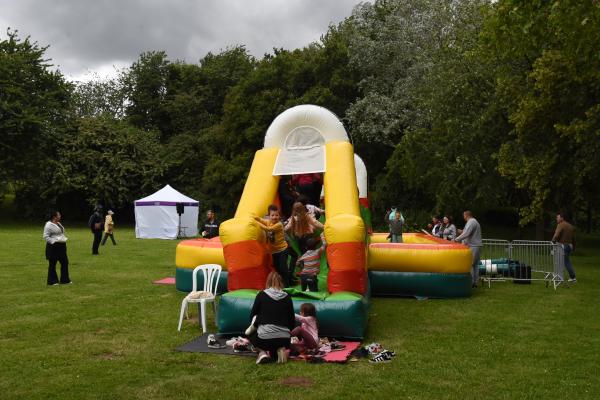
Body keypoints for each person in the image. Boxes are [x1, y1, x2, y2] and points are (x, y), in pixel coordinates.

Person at [247, 272, 295, 364]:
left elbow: (252, 315)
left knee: (249, 333)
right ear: (281, 283)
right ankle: (279, 350)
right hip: (284, 339)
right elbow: (292, 321)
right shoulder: (288, 297)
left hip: (265, 339)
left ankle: (262, 353)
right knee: (275, 342)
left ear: (268, 282)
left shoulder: (261, 295)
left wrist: (256, 324)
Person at [254, 206, 290, 286]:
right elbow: (262, 220)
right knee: (277, 269)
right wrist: (255, 218)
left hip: (282, 250)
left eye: (276, 215)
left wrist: (256, 223)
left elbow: (268, 229)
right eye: (272, 215)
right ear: (269, 216)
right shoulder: (269, 221)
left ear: (279, 216)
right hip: (274, 251)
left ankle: (287, 285)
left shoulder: (279, 224)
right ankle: (280, 284)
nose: (274, 217)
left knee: (283, 268)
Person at [285, 202, 324, 275]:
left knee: (303, 251)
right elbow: (315, 222)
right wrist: (324, 227)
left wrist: (282, 230)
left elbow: (288, 226)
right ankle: (310, 266)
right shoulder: (306, 216)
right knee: (308, 251)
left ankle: (305, 266)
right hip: (306, 235)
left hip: (300, 236)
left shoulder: (294, 217)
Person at [454, 210, 482, 288]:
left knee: (471, 264)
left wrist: (456, 239)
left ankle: (472, 282)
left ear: (466, 215)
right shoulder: (473, 222)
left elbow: (467, 234)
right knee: (475, 265)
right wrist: (461, 231)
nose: (463, 217)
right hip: (476, 245)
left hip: (473, 246)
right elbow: (466, 232)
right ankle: (475, 283)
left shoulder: (471, 222)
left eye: (464, 216)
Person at [43, 211, 71, 285]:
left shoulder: (58, 223)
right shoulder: (48, 225)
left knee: (65, 262)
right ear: (54, 217)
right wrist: (54, 241)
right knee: (52, 264)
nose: (60, 216)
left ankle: (65, 280)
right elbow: (45, 236)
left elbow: (61, 233)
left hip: (61, 246)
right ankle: (52, 281)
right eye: (59, 215)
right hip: (53, 247)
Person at [552, 212, 576, 282]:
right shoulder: (570, 226)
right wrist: (574, 246)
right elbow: (573, 238)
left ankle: (572, 277)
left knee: (564, 261)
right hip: (569, 245)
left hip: (563, 246)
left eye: (558, 217)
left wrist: (552, 241)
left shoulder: (560, 225)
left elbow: (556, 235)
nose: (556, 218)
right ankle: (559, 276)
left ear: (562, 218)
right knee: (564, 261)